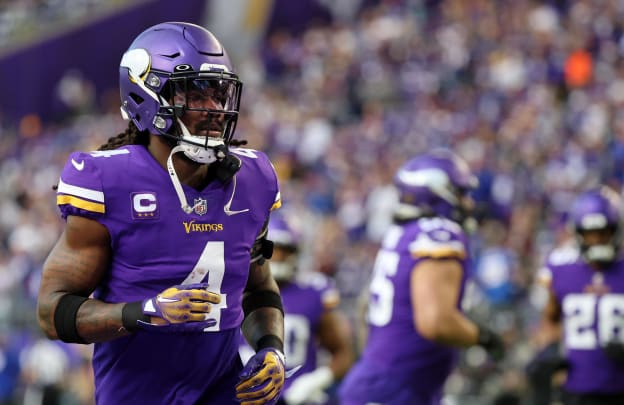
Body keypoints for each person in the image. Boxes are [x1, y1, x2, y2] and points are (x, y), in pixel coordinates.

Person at [36, 22, 286, 405]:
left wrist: (271, 348)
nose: (215, 109)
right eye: (194, 94)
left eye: (218, 94)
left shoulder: (253, 179)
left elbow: (259, 290)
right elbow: (53, 312)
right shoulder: (108, 180)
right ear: (146, 97)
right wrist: (143, 313)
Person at [338, 149, 504, 405]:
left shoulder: (402, 234)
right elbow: (435, 322)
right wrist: (483, 337)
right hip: (396, 390)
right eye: (461, 194)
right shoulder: (439, 233)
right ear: (439, 193)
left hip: (382, 381)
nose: (468, 203)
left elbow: (364, 307)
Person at [239, 215, 354, 404]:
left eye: (282, 251)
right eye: (271, 250)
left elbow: (343, 352)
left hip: (297, 398)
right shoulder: (235, 291)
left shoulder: (313, 292)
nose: (276, 257)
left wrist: (315, 381)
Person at [528, 186, 624, 405]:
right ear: (578, 233)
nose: (597, 240)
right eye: (590, 234)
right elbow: (550, 319)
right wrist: (551, 349)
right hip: (577, 389)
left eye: (604, 232)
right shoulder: (560, 267)